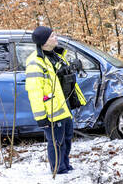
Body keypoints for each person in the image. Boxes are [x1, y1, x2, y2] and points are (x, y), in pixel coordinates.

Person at [25, 26, 87, 175]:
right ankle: (58, 169)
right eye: (53, 36)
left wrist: (72, 67)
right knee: (56, 141)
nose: (56, 37)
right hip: (51, 109)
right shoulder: (35, 62)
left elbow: (60, 76)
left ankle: (65, 165)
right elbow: (34, 92)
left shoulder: (56, 55)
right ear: (44, 42)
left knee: (66, 138)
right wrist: (41, 117)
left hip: (63, 105)